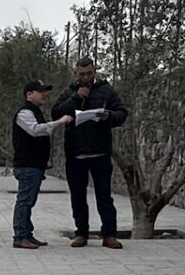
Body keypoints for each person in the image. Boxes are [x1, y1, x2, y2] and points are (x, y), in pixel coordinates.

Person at [51, 59, 128, 247]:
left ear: (94, 72)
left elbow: (122, 113)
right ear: (75, 73)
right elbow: (56, 113)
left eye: (89, 73)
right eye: (81, 74)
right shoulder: (69, 92)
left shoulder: (106, 90)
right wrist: (76, 97)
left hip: (100, 153)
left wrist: (109, 116)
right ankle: (81, 233)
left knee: (104, 196)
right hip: (75, 154)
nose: (85, 77)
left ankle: (109, 235)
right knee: (77, 196)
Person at [9, 79, 58, 249]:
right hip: (27, 165)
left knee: (29, 201)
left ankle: (27, 234)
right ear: (29, 94)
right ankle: (20, 236)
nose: (44, 94)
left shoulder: (35, 112)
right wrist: (58, 123)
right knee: (24, 201)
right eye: (41, 91)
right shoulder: (25, 113)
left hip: (35, 166)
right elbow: (35, 130)